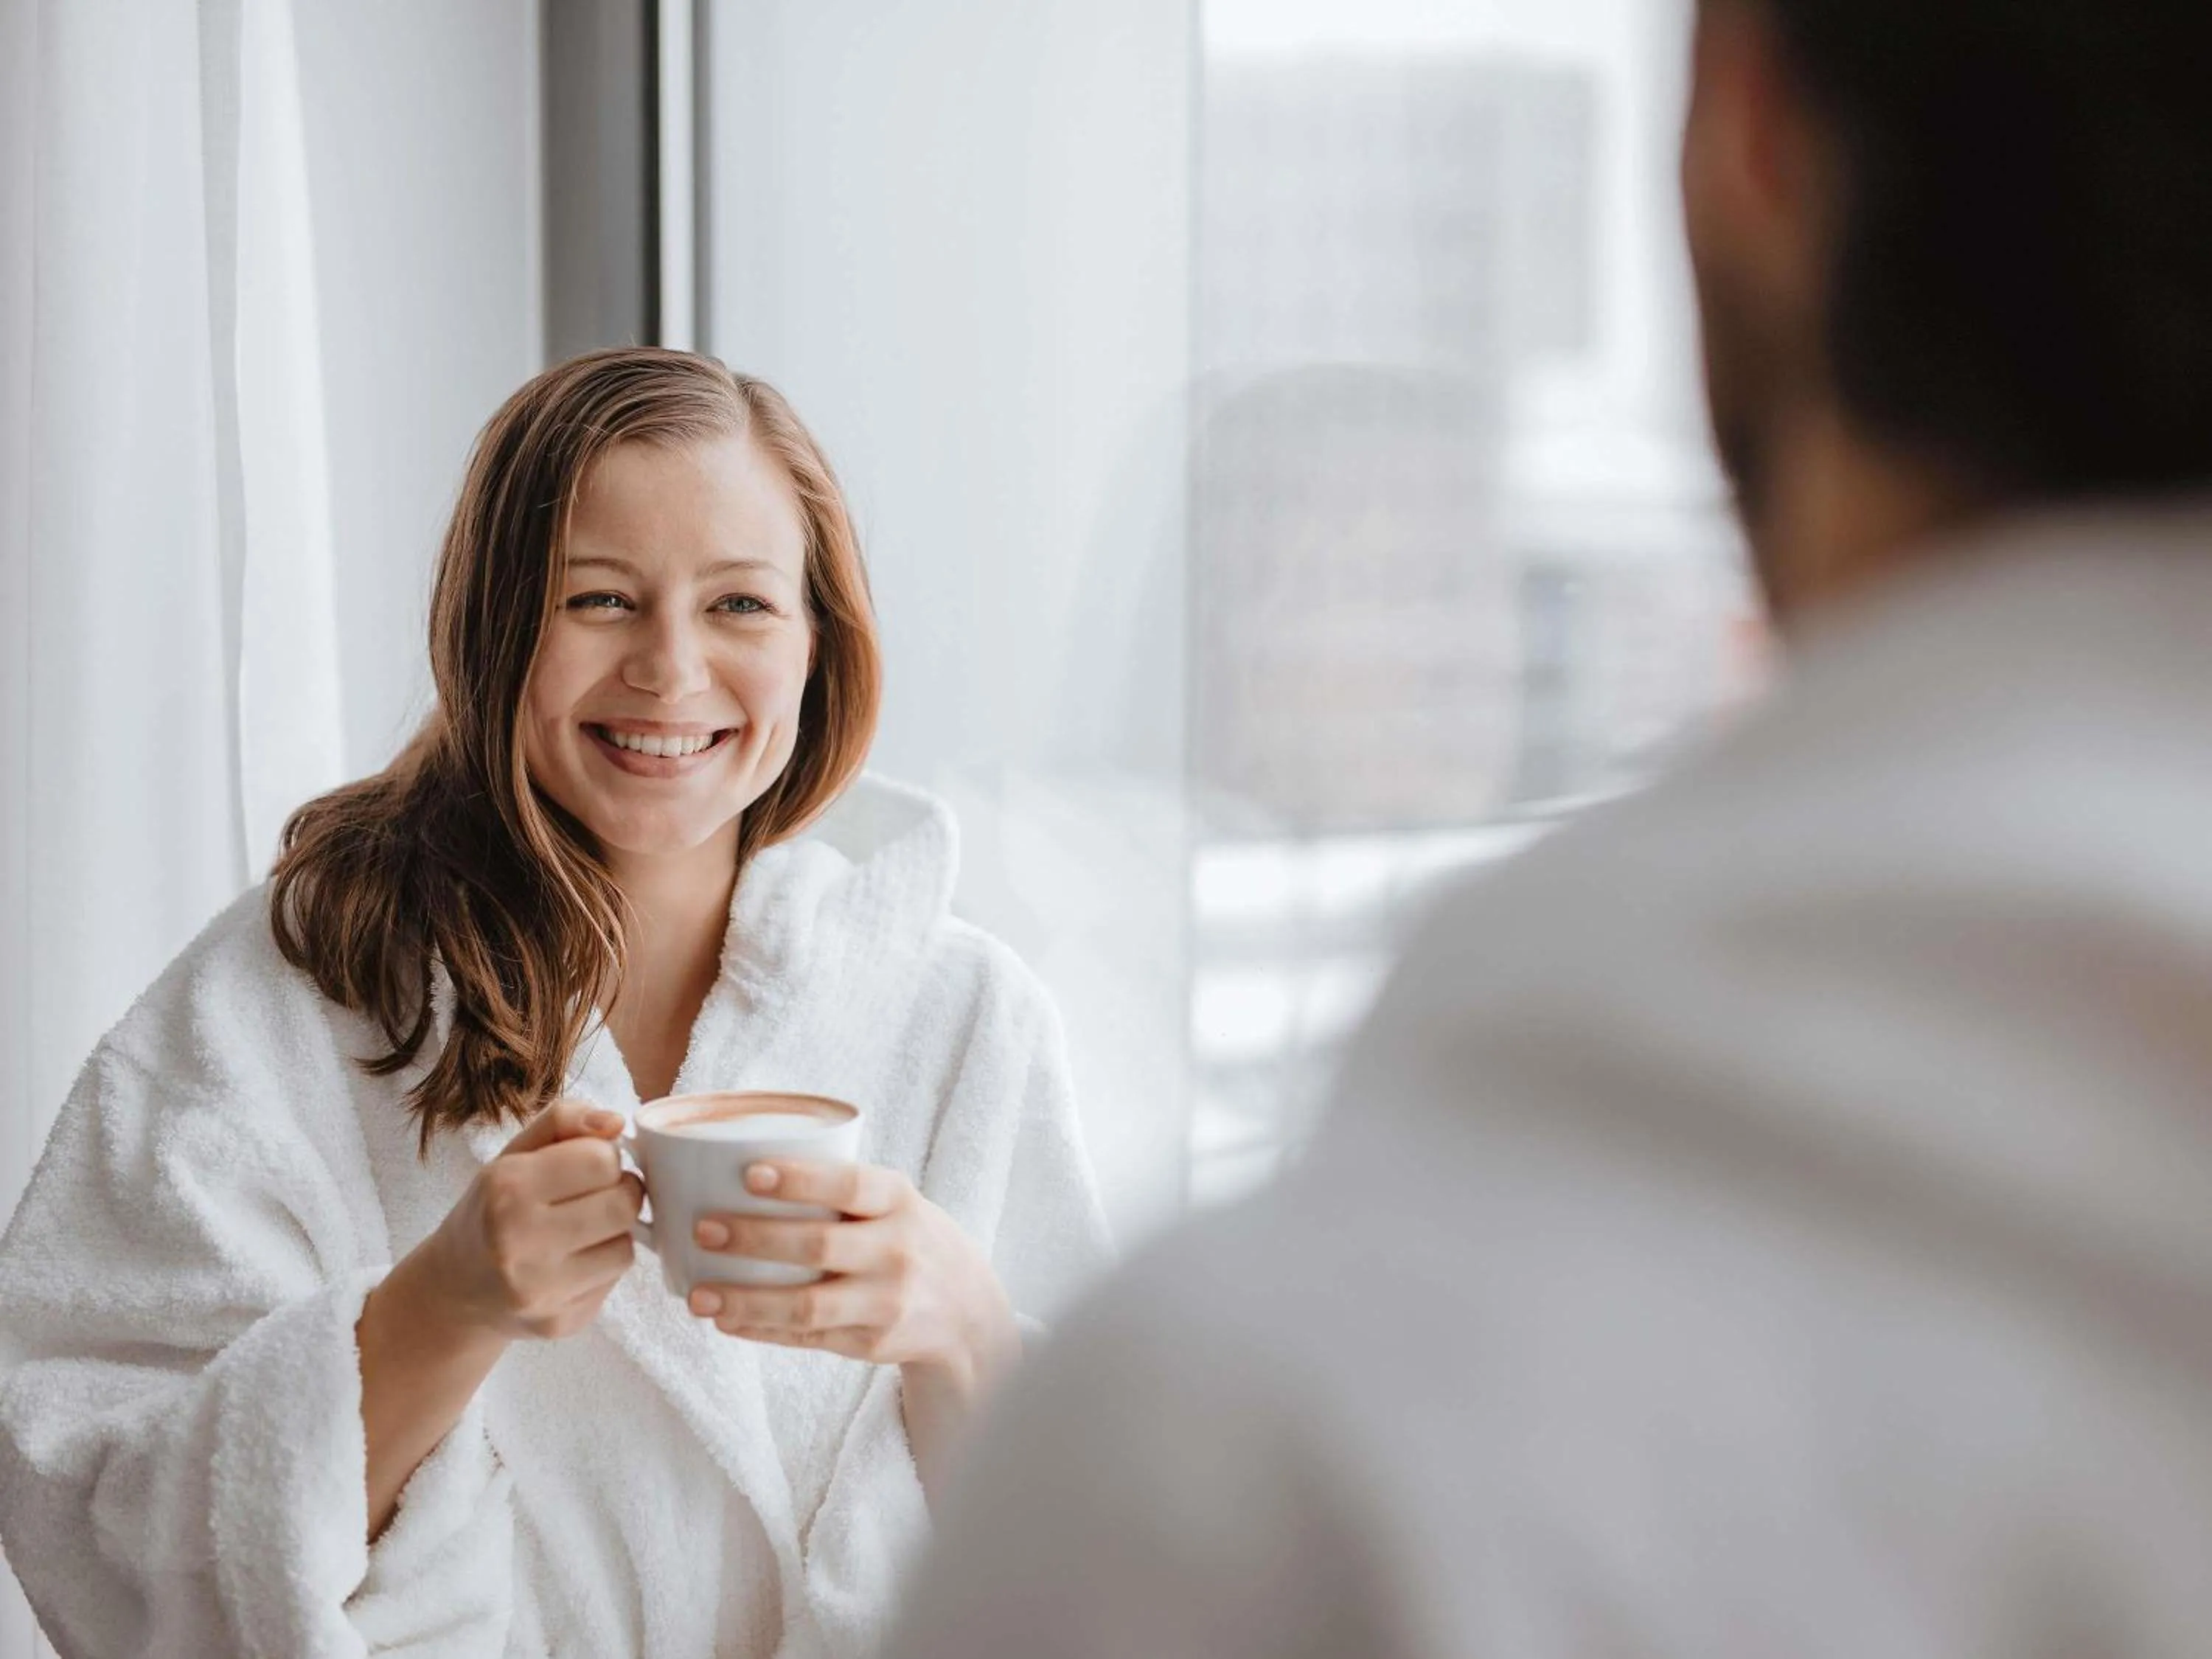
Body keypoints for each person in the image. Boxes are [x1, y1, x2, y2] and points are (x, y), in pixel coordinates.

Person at [891, 0, 2212, 1653]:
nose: (1442, 630)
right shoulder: (1041, 928)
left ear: (1746, 129)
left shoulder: (1263, 1476)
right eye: (1360, 571)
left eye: (1447, 569)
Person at [0, 348, 1109, 1658]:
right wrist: (440, 1306)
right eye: (599, 598)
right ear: (496, 626)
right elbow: (90, 1498)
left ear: (820, 644)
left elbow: (1130, 1568)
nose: (670, 668)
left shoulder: (966, 1022)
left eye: (742, 604)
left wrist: (964, 1332)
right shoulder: (292, 997)